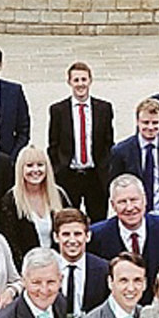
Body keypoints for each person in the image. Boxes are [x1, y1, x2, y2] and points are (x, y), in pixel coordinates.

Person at [46, 60, 116, 219]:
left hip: (95, 176)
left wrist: (106, 168)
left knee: (99, 220)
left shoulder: (104, 109)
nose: (80, 84)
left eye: (84, 79)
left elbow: (108, 142)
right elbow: (53, 144)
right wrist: (57, 170)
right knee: (68, 220)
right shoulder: (58, 110)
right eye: (76, 80)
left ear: (90, 80)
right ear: (69, 82)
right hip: (69, 175)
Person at [90, 173, 159, 288]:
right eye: (122, 202)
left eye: (134, 200)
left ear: (144, 200)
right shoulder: (98, 235)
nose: (129, 208)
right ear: (113, 205)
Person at [107, 97, 159, 224]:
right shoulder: (121, 151)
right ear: (137, 122)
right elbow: (115, 187)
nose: (150, 127)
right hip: (134, 217)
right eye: (145, 122)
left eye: (155, 123)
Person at [0, 148, 70, 258]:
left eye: (40, 165)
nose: (35, 170)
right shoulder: (11, 200)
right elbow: (11, 243)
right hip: (28, 267)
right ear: (21, 169)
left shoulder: (59, 194)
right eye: (29, 165)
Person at [52, 210, 109, 315]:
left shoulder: (104, 269)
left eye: (77, 234)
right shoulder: (47, 269)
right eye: (66, 234)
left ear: (88, 236)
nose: (72, 240)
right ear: (56, 237)